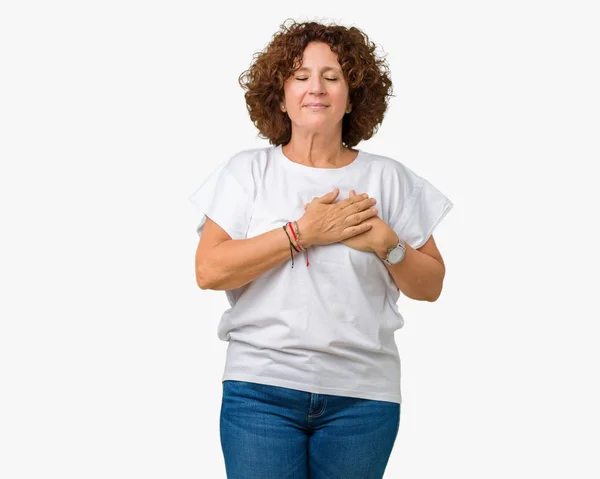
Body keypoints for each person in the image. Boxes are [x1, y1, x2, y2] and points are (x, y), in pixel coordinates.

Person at [188, 19, 453, 479]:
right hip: (260, 389)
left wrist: (388, 245)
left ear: (353, 95)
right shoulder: (247, 172)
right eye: (301, 76)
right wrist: (301, 234)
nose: (317, 89)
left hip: (363, 399)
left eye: (332, 77)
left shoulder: (388, 179)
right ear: (281, 93)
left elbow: (431, 285)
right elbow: (209, 270)